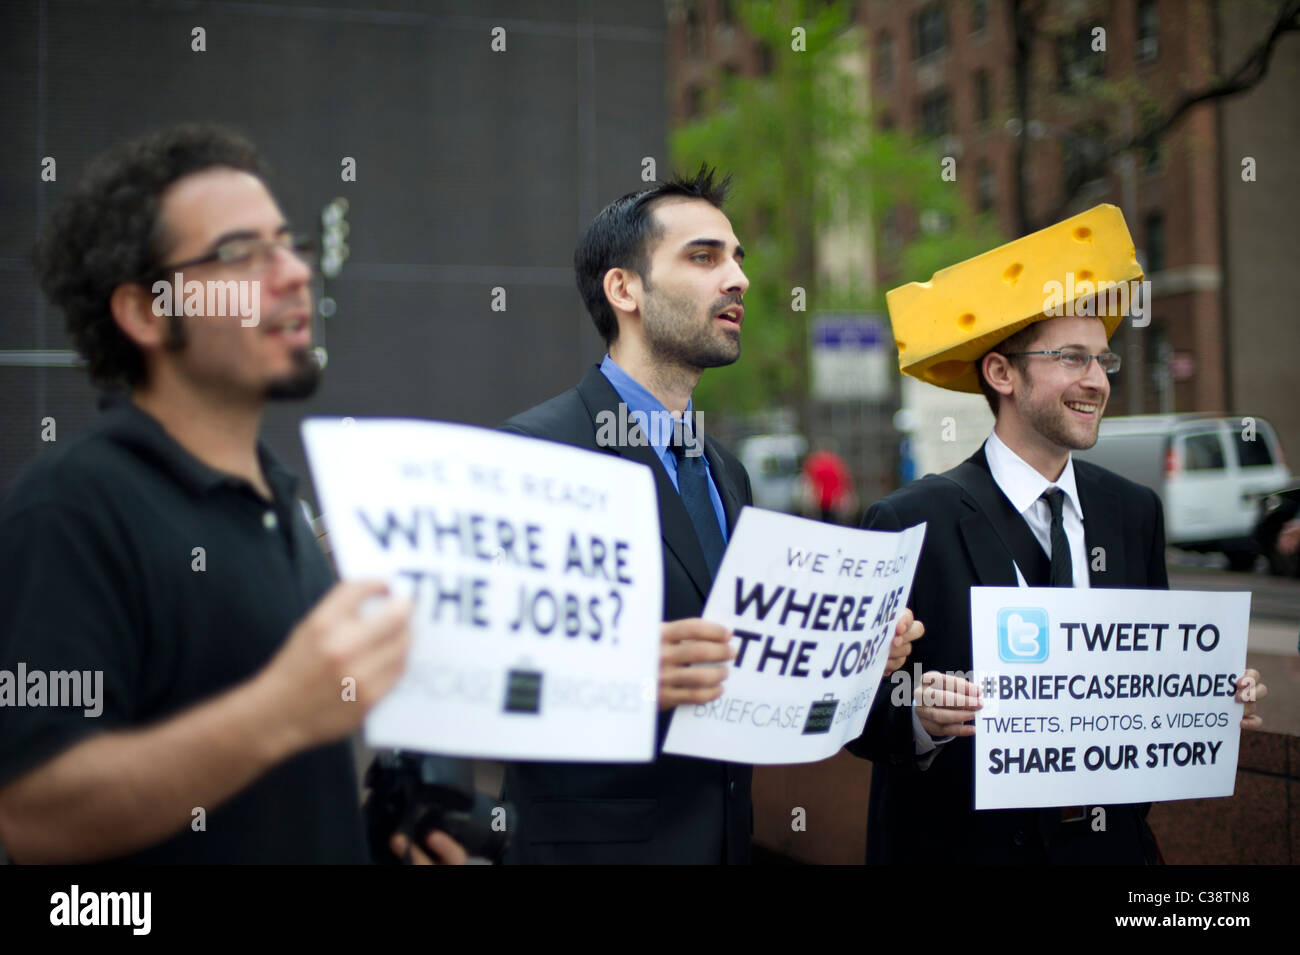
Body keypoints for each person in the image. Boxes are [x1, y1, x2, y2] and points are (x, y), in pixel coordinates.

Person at [0, 125, 464, 865]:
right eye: (239, 254)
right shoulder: (72, 509)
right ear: (145, 311)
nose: (292, 273)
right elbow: (29, 811)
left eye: (288, 243)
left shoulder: (283, 503)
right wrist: (276, 712)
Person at [499, 167, 923, 863]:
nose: (738, 279)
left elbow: (741, 667)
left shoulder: (726, 470)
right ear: (624, 288)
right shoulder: (539, 453)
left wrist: (851, 653)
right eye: (703, 257)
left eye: (736, 258)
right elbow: (487, 669)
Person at [848, 263, 1267, 863]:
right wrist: (919, 715)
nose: (1097, 379)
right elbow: (851, 713)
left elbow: (1145, 672)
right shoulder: (910, 520)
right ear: (1001, 372)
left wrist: (1209, 694)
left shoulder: (1134, 512)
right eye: (1072, 358)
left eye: (1104, 361)